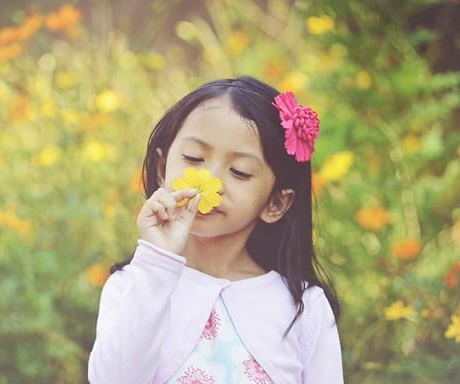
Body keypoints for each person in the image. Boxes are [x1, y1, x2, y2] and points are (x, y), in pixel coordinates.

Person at [87, 76, 344, 383]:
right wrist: (158, 262)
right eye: (194, 158)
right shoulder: (133, 284)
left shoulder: (304, 307)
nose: (210, 181)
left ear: (276, 202)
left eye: (240, 172)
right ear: (161, 168)